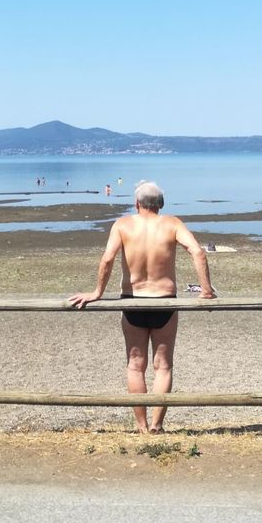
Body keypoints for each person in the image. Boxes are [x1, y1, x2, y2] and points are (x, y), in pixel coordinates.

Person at [69, 180, 215, 433]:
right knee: (163, 366)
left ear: (136, 204)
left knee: (135, 365)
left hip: (133, 300)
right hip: (164, 301)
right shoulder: (172, 224)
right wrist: (206, 290)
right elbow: (198, 252)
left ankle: (141, 426)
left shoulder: (123, 225)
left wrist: (97, 292)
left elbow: (107, 259)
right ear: (161, 204)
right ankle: (157, 426)